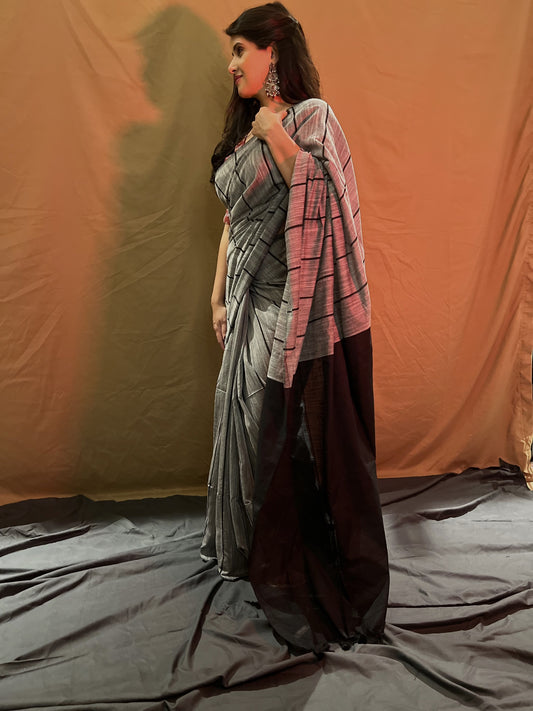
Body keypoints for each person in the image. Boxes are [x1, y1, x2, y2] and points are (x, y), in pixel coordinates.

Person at [200, 1, 389, 653]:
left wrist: (274, 133)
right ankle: (247, 548)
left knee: (274, 430)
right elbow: (231, 224)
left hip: (292, 303)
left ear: (272, 52)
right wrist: (216, 298)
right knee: (236, 421)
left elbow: (324, 198)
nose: (231, 64)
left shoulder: (312, 118)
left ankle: (288, 554)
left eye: (239, 51)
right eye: (230, 52)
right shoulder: (241, 130)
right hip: (244, 301)